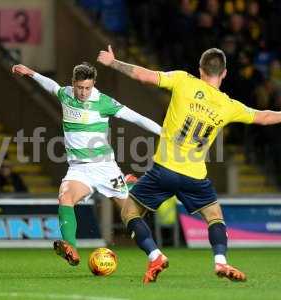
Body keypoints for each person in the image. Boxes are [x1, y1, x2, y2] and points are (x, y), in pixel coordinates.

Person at [97, 46, 281, 284]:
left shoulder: (183, 80)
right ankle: (220, 262)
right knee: (214, 216)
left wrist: (113, 62)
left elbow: (143, 75)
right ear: (224, 73)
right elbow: (264, 117)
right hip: (194, 176)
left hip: (163, 170)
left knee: (129, 212)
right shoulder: (228, 105)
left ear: (200, 69)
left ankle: (155, 256)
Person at [12, 62, 161, 266]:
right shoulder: (66, 94)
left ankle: (155, 255)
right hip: (79, 169)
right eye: (80, 88)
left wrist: (164, 133)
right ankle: (70, 246)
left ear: (93, 85)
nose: (83, 92)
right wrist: (32, 73)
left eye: (87, 88)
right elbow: (52, 86)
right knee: (65, 196)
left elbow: (136, 118)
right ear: (73, 84)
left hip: (105, 167)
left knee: (131, 214)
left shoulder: (103, 101)